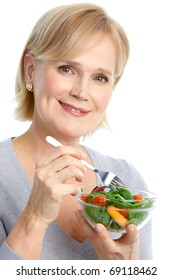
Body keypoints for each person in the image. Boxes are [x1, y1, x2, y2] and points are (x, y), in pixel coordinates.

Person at [0, 3, 153, 260]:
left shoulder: (126, 181)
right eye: (67, 69)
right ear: (30, 69)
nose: (81, 92)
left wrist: (126, 271)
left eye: (100, 77)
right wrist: (34, 217)